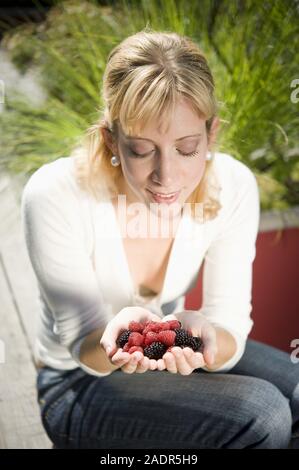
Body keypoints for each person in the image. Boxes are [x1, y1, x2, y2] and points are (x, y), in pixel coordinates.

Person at [21, 28, 299, 449]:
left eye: (186, 148)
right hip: (78, 380)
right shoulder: (56, 194)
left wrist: (205, 333)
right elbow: (84, 347)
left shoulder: (233, 185)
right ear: (110, 140)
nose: (166, 177)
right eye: (141, 149)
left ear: (212, 134)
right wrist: (117, 342)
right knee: (262, 415)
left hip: (167, 349)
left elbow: (230, 329)